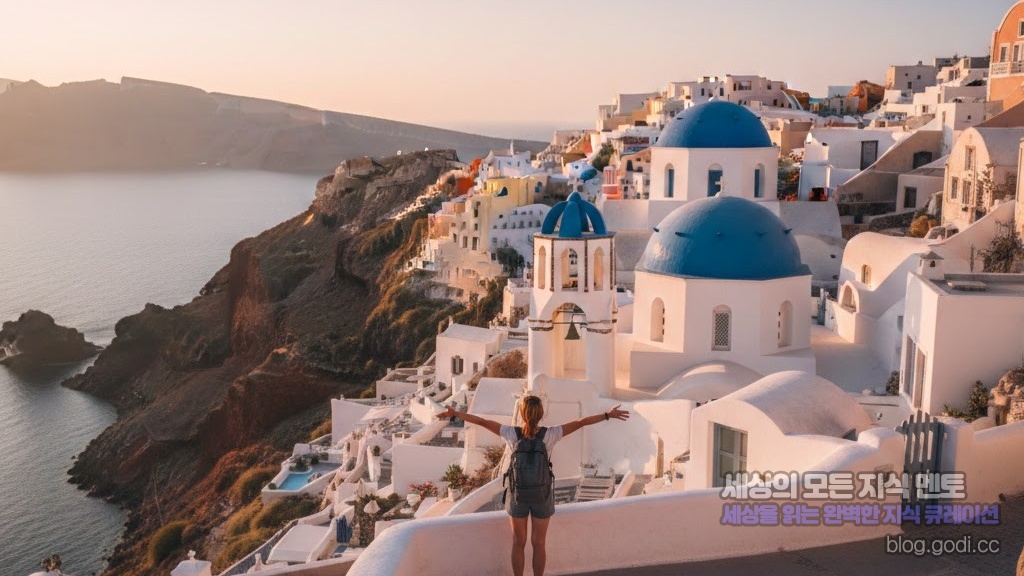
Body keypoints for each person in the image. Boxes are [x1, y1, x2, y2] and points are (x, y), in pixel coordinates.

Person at [438, 395, 630, 576]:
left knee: (518, 542)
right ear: (540, 414)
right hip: (542, 494)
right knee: (539, 543)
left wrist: (454, 413)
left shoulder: (511, 433)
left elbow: (480, 422)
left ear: (522, 413)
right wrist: (607, 415)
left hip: (518, 495)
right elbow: (580, 423)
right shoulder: (551, 434)